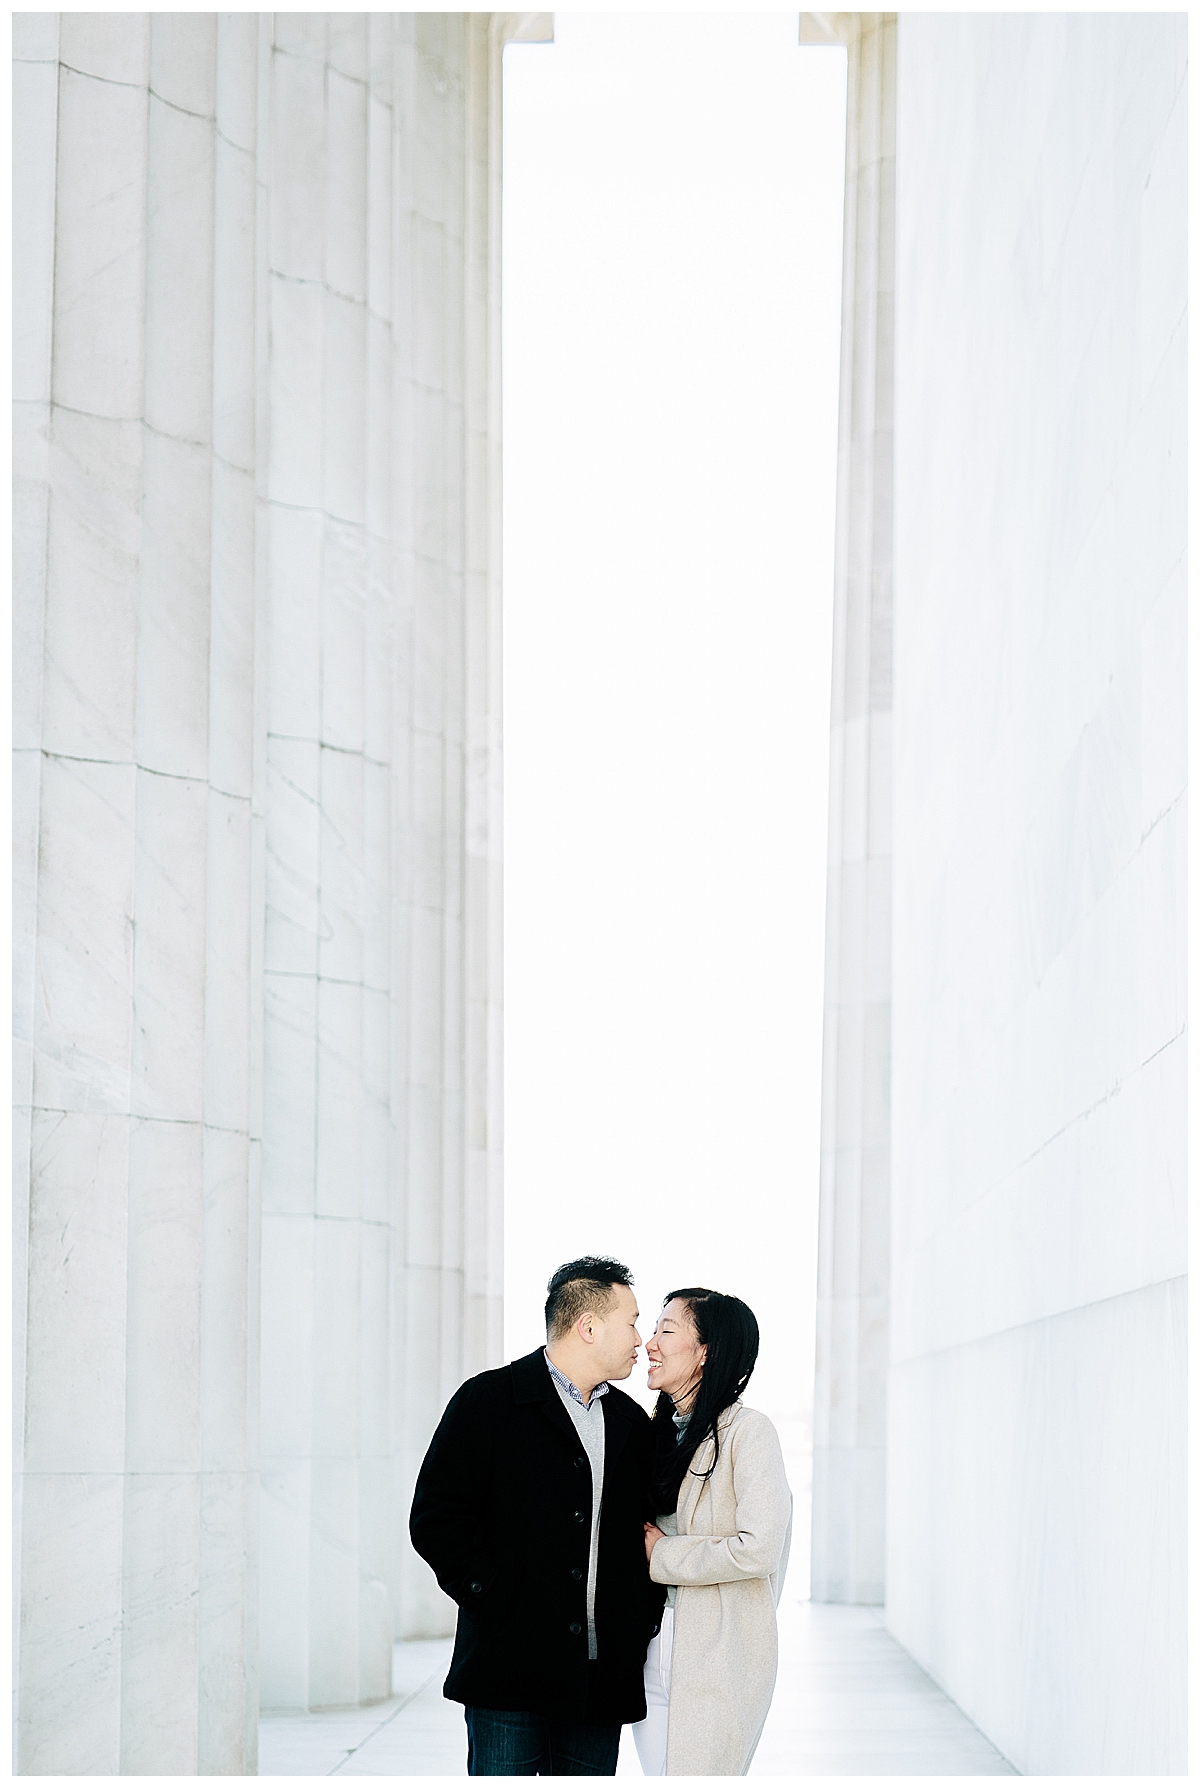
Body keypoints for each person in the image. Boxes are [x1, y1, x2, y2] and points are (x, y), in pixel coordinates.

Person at [409, 1256, 663, 1776]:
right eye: (632, 1321)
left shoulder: (632, 1423)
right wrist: (494, 1599)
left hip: (600, 1680)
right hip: (508, 1673)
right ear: (588, 1326)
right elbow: (435, 1517)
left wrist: (638, 1621)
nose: (641, 1339)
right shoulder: (489, 1401)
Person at [632, 1288, 792, 1776]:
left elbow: (759, 1548)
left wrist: (664, 1555)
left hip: (718, 1654)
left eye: (666, 1330)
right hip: (651, 1648)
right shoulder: (656, 1433)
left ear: (707, 1352)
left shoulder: (750, 1432)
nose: (649, 1343)